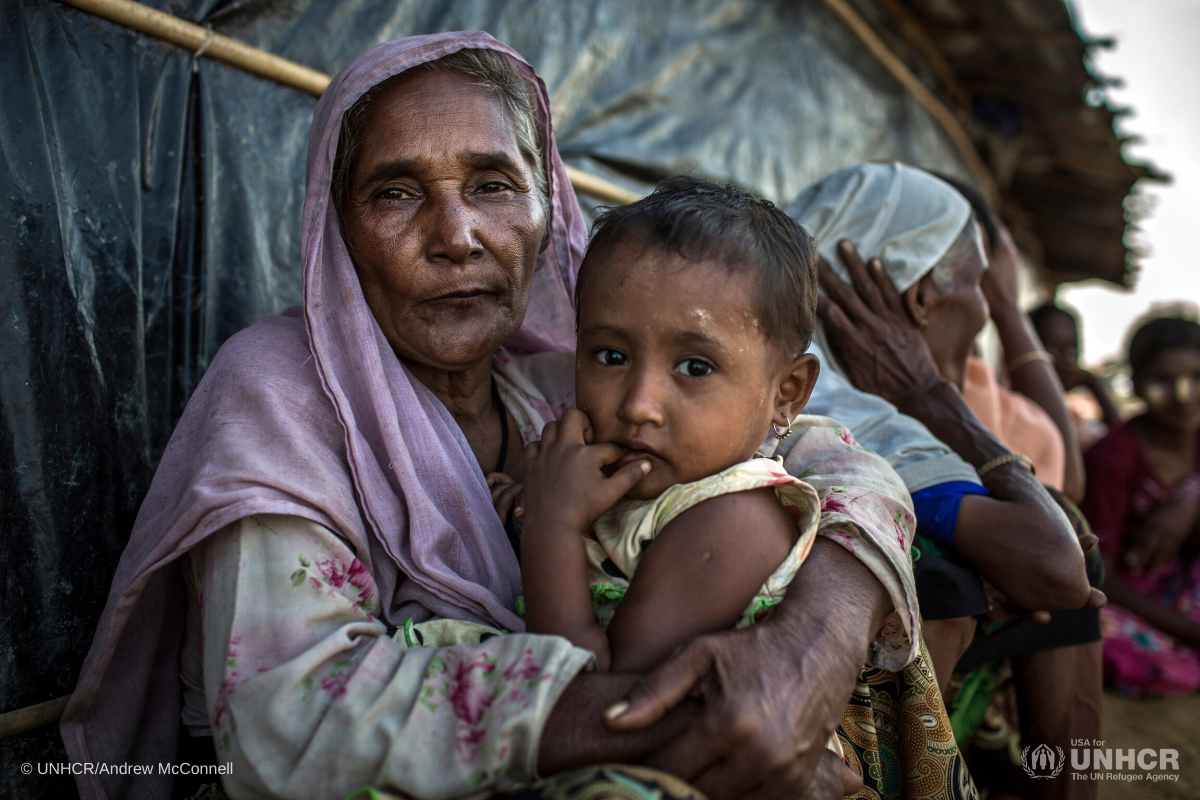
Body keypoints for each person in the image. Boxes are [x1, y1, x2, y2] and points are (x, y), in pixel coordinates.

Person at [62, 36, 959, 800]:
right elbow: (286, 712)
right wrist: (665, 725)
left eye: (493, 184)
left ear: (546, 208)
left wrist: (813, 642)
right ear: (339, 228)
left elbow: (838, 456)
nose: (456, 234)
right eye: (396, 193)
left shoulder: (563, 380)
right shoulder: (281, 393)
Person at [789, 163, 1106, 800]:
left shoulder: (768, 366)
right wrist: (929, 395)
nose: (984, 311)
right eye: (976, 288)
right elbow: (1056, 568)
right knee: (1051, 537)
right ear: (922, 301)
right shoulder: (860, 418)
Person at [1081, 313, 1200, 695]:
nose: (1183, 394)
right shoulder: (1113, 457)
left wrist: (1189, 503)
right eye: (1163, 380)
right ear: (1135, 385)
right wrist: (1190, 633)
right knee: (1092, 635)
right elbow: (1102, 574)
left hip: (1191, 584)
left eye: (1197, 377)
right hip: (1135, 599)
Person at [1030, 303, 1123, 449]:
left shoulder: (1074, 420)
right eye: (1054, 346)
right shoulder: (1017, 409)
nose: (1068, 359)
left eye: (1074, 348)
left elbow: (1120, 446)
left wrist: (1092, 382)